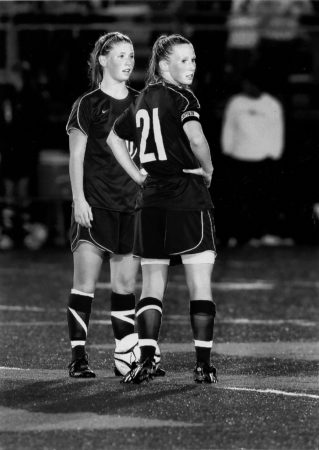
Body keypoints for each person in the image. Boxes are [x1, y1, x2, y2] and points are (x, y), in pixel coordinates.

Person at [107, 34, 218, 384]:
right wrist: (209, 168)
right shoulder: (182, 97)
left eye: (195, 60)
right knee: (199, 285)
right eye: (183, 60)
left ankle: (147, 360)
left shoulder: (142, 99)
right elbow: (197, 138)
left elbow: (113, 136)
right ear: (163, 64)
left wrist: (138, 175)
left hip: (151, 200)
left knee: (152, 285)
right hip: (187, 198)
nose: (191, 67)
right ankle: (202, 366)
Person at [65, 32, 141, 378]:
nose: (128, 62)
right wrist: (79, 200)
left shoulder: (142, 103)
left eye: (132, 56)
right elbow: (76, 157)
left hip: (132, 205)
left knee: (125, 288)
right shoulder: (88, 103)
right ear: (103, 60)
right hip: (95, 203)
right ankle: (78, 358)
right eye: (121, 55)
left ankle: (124, 358)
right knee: (86, 285)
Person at [219, 67, 285, 246]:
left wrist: (274, 153)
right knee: (239, 200)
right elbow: (229, 127)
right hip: (239, 157)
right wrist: (228, 150)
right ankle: (239, 235)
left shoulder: (271, 105)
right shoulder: (236, 103)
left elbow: (276, 130)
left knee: (260, 200)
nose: (246, 87)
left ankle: (259, 234)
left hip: (262, 159)